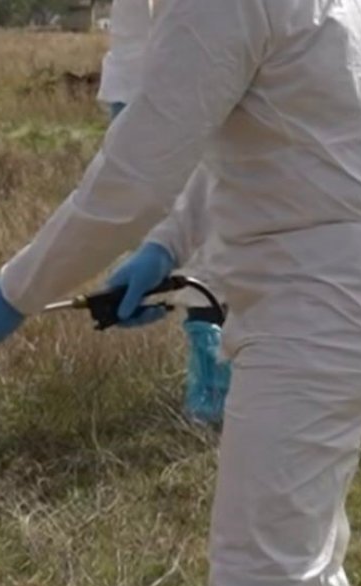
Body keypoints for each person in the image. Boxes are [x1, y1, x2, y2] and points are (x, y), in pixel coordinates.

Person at [0, 0, 361, 586]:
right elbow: (244, 139)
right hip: (343, 296)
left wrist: (16, 291)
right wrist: (165, 246)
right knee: (300, 563)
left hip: (321, 309)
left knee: (259, 585)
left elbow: (136, 172)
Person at [98, 0, 230, 426]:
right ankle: (211, 376)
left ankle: (227, 381)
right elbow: (131, 41)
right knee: (188, 245)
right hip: (159, 103)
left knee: (219, 243)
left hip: (208, 101)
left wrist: (17, 292)